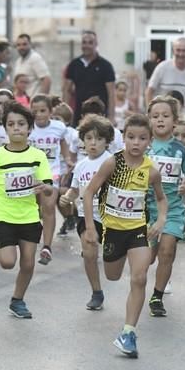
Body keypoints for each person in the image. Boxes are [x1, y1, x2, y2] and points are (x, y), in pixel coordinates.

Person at [81, 114, 167, 358]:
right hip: (113, 231)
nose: (136, 143)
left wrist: (160, 220)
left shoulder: (151, 170)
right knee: (113, 275)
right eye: (131, 137)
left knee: (139, 278)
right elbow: (89, 193)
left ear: (149, 141)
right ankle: (106, 291)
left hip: (137, 230)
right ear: (123, 138)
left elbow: (162, 199)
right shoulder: (112, 163)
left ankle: (128, 333)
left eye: (141, 138)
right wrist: (90, 227)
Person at [0, 101, 53, 318]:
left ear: (29, 127)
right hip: (3, 216)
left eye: (21, 124)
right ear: (5, 129)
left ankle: (18, 300)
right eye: (11, 124)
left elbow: (49, 185)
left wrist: (46, 188)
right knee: (8, 263)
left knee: (27, 262)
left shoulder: (38, 156)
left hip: (29, 217)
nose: (16, 128)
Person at [145, 96, 185, 317]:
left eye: (165, 116)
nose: (160, 120)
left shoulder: (180, 150)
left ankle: (157, 296)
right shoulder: (143, 145)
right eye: (155, 116)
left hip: (173, 210)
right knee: (148, 257)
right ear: (149, 120)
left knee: (167, 251)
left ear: (174, 121)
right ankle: (140, 286)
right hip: (146, 210)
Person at [58, 114, 113, 309]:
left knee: (112, 260)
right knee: (89, 254)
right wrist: (68, 198)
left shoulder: (113, 161)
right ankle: (96, 293)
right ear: (83, 140)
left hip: (111, 217)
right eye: (89, 138)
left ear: (107, 142)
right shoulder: (81, 166)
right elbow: (75, 189)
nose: (93, 143)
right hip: (87, 216)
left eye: (99, 139)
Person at [28, 94, 72, 265]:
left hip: (50, 174)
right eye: (35, 111)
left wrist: (67, 158)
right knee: (34, 209)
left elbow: (63, 143)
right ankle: (29, 240)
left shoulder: (58, 127)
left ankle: (47, 246)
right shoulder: (28, 128)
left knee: (48, 207)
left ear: (50, 111)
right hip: (30, 175)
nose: (39, 114)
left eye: (43, 110)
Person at [146, 38, 185, 121]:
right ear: (173, 51)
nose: (181, 54)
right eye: (178, 50)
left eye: (184, 51)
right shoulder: (162, 67)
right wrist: (151, 113)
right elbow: (149, 91)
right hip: (164, 119)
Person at [64, 31, 116, 124]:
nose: (86, 45)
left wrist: (111, 116)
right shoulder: (74, 65)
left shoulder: (106, 66)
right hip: (79, 115)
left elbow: (111, 93)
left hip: (100, 115)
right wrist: (65, 114)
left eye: (90, 42)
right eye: (84, 42)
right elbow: (66, 90)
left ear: (96, 44)